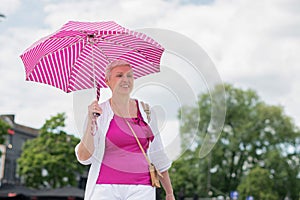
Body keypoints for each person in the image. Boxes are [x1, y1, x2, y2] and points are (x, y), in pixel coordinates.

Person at [75, 59, 175, 200]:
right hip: (104, 188)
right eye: (119, 75)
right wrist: (91, 122)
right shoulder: (98, 113)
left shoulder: (147, 112)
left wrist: (169, 192)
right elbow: (84, 157)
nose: (125, 80)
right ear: (107, 81)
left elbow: (158, 155)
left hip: (142, 187)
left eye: (129, 76)